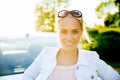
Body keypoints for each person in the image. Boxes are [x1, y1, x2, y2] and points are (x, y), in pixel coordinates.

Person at [22, 9, 120, 80]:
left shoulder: (92, 58)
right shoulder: (46, 54)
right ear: (57, 32)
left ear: (81, 32)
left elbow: (115, 77)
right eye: (63, 32)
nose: (69, 38)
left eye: (75, 32)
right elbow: (27, 77)